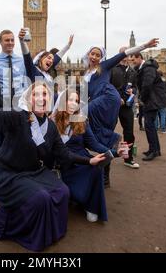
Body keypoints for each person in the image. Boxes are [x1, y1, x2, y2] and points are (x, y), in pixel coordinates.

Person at [0, 82, 105, 252]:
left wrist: (89, 161)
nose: (41, 98)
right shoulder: (18, 117)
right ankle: (20, 228)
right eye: (36, 94)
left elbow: (64, 154)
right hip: (8, 173)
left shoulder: (50, 127)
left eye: (45, 95)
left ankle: (51, 232)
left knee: (63, 191)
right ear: (28, 99)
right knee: (40, 198)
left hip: (33, 172)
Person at [82, 38, 158, 186]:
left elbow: (124, 54)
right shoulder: (85, 73)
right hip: (100, 105)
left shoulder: (104, 66)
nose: (94, 57)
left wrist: (145, 46)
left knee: (82, 115)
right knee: (103, 136)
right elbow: (84, 96)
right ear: (88, 54)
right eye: (93, 54)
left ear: (101, 58)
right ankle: (106, 175)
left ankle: (115, 144)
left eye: (98, 55)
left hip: (108, 98)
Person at [51, 88, 127, 222]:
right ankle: (77, 197)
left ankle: (90, 206)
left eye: (76, 101)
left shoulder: (82, 121)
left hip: (82, 158)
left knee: (96, 167)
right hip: (64, 162)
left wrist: (116, 153)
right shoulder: (52, 122)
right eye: (70, 100)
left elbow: (94, 144)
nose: (74, 104)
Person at [132, 54, 166, 161]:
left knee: (149, 125)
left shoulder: (148, 68)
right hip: (152, 99)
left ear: (139, 57)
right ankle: (155, 149)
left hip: (152, 100)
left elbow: (147, 85)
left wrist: (142, 98)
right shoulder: (145, 68)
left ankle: (154, 151)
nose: (132, 61)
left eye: (133, 59)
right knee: (150, 125)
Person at [111, 48, 139, 169]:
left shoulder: (133, 72)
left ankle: (128, 158)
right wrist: (117, 98)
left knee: (129, 133)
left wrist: (133, 91)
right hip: (113, 105)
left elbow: (136, 88)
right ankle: (107, 157)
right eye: (123, 54)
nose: (125, 56)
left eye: (127, 54)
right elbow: (108, 87)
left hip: (127, 106)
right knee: (108, 131)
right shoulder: (112, 69)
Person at [0, 30, 27, 109]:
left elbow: (25, 82)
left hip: (19, 104)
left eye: (12, 40)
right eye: (7, 40)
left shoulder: (21, 60)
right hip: (1, 104)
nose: (10, 42)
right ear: (0, 42)